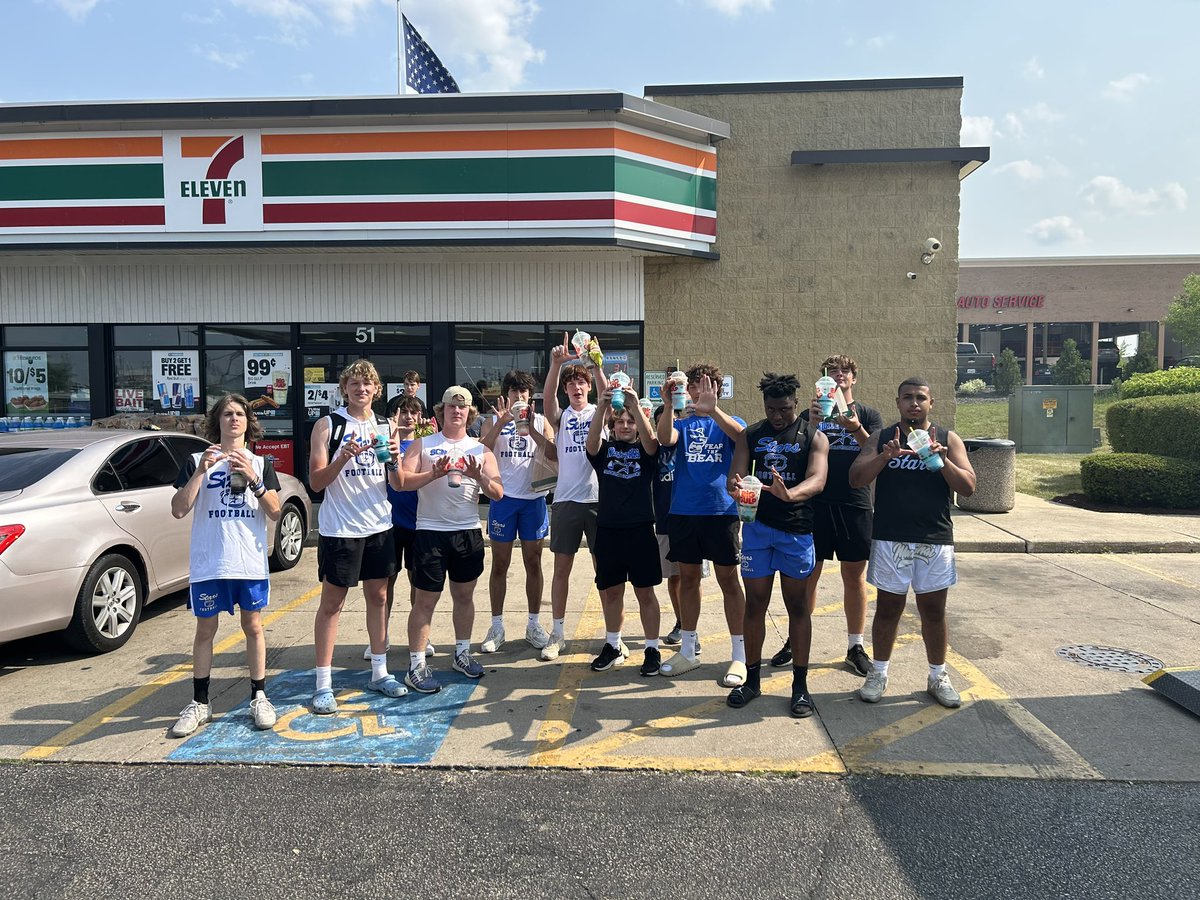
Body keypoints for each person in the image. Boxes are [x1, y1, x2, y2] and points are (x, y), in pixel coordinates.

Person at [848, 377, 977, 708]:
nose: (914, 403)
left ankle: (937, 676)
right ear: (898, 402)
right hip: (891, 536)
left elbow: (969, 487)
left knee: (933, 610)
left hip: (934, 538)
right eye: (908, 398)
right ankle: (878, 673)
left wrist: (942, 459)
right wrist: (884, 458)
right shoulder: (882, 437)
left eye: (921, 398)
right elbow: (855, 478)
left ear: (931, 404)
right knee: (889, 609)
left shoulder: (948, 438)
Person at [168, 393, 282, 737]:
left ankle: (259, 696)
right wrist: (201, 472)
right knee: (205, 631)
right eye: (227, 414)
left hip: (247, 561)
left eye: (240, 414)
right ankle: (200, 702)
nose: (234, 419)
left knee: (254, 627)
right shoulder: (196, 459)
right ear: (216, 421)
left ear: (249, 422)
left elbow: (275, 510)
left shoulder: (260, 463)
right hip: (210, 562)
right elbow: (178, 508)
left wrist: (255, 479)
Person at [770, 355, 884, 677]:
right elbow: (796, 452)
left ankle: (855, 646)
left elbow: (874, 452)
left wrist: (856, 427)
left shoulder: (868, 414)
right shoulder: (809, 414)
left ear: (854, 379)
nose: (839, 375)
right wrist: (814, 424)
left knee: (854, 577)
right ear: (823, 379)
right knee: (808, 575)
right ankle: (795, 639)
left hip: (854, 503)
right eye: (832, 371)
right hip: (815, 506)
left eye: (844, 371)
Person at [725, 374, 828, 715]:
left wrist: (790, 494)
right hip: (757, 529)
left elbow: (818, 479)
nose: (777, 416)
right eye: (771, 409)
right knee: (754, 604)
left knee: (797, 606)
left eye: (784, 409)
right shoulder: (750, 435)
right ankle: (752, 681)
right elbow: (733, 479)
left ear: (795, 405)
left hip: (796, 530)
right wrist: (736, 487)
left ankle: (800, 686)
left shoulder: (813, 436)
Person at [308, 360, 405, 715]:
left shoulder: (386, 425)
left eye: (367, 384)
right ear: (344, 389)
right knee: (332, 604)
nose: (361, 389)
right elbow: (316, 482)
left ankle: (379, 672)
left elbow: (397, 484)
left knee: (379, 598)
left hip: (379, 525)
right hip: (340, 529)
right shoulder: (328, 425)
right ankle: (323, 684)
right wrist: (342, 457)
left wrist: (395, 461)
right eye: (354, 384)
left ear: (376, 390)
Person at [399, 386, 505, 694]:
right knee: (425, 601)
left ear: (470, 413)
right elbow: (403, 482)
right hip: (429, 532)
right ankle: (416, 664)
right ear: (440, 411)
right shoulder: (422, 445)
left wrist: (479, 477)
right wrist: (432, 475)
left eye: (462, 408)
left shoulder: (480, 450)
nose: (456, 412)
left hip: (467, 532)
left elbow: (498, 492)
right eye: (450, 407)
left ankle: (461, 653)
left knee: (464, 597)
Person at [654, 363, 747, 685]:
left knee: (728, 580)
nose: (696, 391)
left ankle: (739, 655)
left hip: (721, 512)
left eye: (704, 386)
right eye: (692, 386)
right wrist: (667, 405)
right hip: (683, 511)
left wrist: (714, 410)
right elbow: (665, 439)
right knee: (689, 579)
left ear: (716, 390)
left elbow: (742, 437)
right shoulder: (683, 422)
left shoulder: (730, 422)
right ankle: (689, 649)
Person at [585, 378, 663, 675]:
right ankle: (613, 644)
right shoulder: (606, 450)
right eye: (622, 422)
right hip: (609, 529)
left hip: (640, 529)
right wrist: (603, 405)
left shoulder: (646, 451)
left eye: (631, 421)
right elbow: (591, 444)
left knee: (645, 593)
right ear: (614, 426)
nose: (627, 425)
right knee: (612, 592)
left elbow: (653, 443)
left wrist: (633, 404)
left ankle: (652, 648)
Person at [538, 333, 607, 661]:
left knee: (604, 570)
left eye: (582, 384)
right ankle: (558, 632)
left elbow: (609, 394)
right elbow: (548, 399)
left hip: (597, 500)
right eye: (572, 385)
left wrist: (594, 366)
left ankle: (612, 636)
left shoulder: (600, 411)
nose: (577, 388)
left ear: (588, 388)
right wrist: (555, 366)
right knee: (561, 570)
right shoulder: (562, 416)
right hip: (565, 500)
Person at [479, 370, 556, 653]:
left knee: (533, 562)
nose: (519, 397)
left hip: (533, 499)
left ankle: (533, 623)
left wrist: (531, 428)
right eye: (515, 392)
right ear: (506, 395)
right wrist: (500, 423)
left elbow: (551, 454)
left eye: (524, 392)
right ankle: (496, 626)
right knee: (500, 563)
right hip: (503, 499)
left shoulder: (541, 421)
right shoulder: (492, 420)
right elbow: (481, 451)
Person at [362, 393, 434, 662]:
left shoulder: (424, 446)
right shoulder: (380, 445)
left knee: (419, 581)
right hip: (387, 524)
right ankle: (381, 637)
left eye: (413, 412)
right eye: (402, 411)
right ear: (392, 417)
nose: (408, 416)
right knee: (385, 584)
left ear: (420, 418)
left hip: (420, 523)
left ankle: (421, 635)